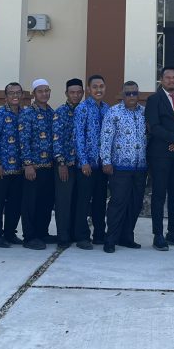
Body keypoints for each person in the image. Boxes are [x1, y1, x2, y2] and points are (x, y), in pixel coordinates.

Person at [144, 67, 174, 251]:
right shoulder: (154, 100)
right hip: (160, 155)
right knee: (159, 195)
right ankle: (158, 235)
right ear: (161, 80)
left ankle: (173, 232)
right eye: (168, 77)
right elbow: (153, 126)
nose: (171, 80)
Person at [99, 82, 147, 253]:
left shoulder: (143, 112)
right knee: (118, 203)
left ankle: (127, 237)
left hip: (140, 167)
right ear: (122, 95)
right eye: (128, 94)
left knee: (135, 204)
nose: (132, 97)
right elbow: (106, 138)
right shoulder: (114, 112)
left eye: (135, 93)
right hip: (119, 167)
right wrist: (106, 161)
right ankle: (110, 239)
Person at [72, 74, 110, 249]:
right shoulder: (82, 109)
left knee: (100, 201)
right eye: (95, 87)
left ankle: (99, 235)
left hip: (102, 165)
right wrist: (84, 161)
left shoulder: (107, 109)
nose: (98, 90)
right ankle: (82, 236)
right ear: (89, 89)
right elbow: (78, 136)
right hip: (86, 165)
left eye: (101, 86)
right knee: (83, 201)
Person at [20, 78, 57, 250]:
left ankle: (42, 232)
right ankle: (30, 236)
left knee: (46, 202)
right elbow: (23, 140)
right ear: (34, 94)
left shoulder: (51, 112)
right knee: (31, 203)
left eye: (47, 90)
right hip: (33, 167)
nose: (44, 94)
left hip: (49, 166)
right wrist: (28, 164)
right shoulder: (28, 113)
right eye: (40, 91)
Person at [0, 82, 25, 248]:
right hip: (2, 168)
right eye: (11, 93)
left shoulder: (25, 114)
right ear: (6, 96)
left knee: (15, 203)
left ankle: (10, 233)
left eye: (18, 93)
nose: (15, 96)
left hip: (19, 168)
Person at [51, 78, 84, 249]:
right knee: (63, 201)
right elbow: (56, 140)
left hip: (82, 165)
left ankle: (75, 233)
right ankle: (63, 236)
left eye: (79, 92)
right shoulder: (60, 112)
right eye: (72, 92)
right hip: (65, 165)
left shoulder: (85, 110)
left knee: (78, 201)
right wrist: (61, 163)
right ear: (66, 93)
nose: (76, 95)